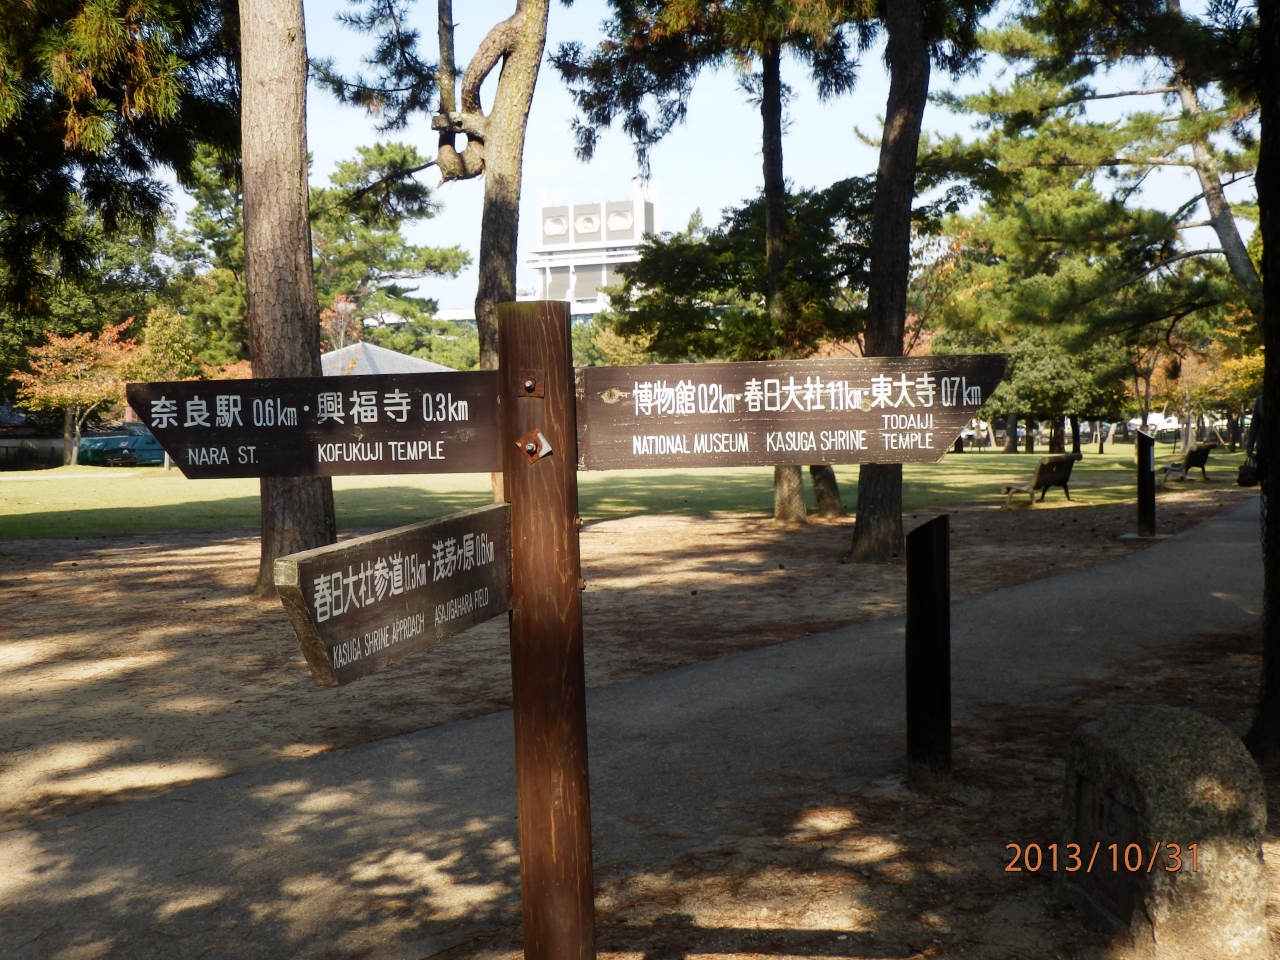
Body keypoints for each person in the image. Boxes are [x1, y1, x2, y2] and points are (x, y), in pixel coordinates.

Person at [1247, 395, 1265, 484]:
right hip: (1263, 445)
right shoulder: (1261, 400)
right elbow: (1254, 425)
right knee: (1264, 477)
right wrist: (1250, 446)